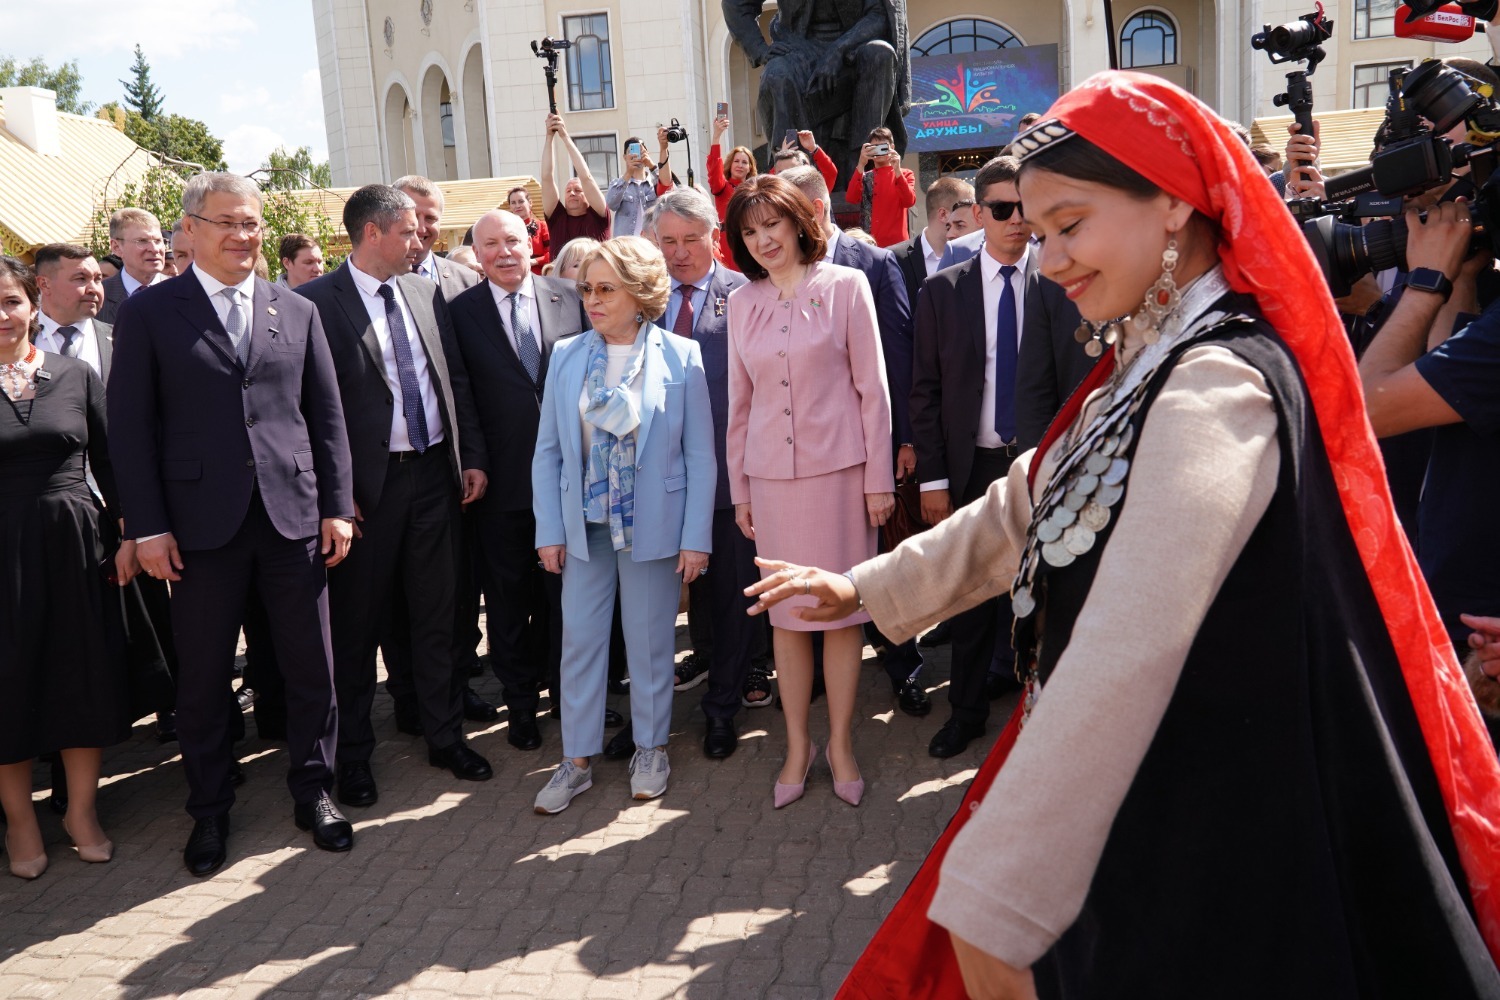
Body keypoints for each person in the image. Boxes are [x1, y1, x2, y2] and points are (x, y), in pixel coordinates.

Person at [747, 73, 1500, 998]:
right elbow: (1036, 495)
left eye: (1070, 225)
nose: (1048, 259)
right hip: (1153, 789)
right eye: (1037, 231)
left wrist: (1002, 881)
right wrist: (865, 588)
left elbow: (1134, 634)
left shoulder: (1216, 383)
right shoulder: (1155, 350)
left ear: (1173, 204)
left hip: (1200, 814)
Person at [108, 172, 356, 878]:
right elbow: (131, 429)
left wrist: (337, 506)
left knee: (312, 667)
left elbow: (326, 415)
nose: (242, 236)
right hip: (197, 530)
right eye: (227, 222)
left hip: (292, 517)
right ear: (190, 228)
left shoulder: (296, 308)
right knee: (204, 677)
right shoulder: (151, 313)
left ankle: (315, 790)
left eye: (251, 223)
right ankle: (210, 808)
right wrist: (147, 527)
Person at [296, 184, 494, 809]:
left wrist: (470, 457)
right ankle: (354, 758)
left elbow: (452, 379)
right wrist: (335, 495)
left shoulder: (424, 291)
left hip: (435, 477)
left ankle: (445, 737)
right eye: (408, 231)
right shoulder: (313, 304)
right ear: (372, 233)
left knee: (439, 616)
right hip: (364, 495)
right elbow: (305, 411)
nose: (420, 240)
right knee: (357, 632)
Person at [724, 175, 894, 809]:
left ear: (800, 222)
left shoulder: (847, 285)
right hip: (770, 481)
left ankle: (841, 744)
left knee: (842, 614)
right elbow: (740, 404)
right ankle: (797, 746)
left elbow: (873, 390)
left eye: (772, 224)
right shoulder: (742, 302)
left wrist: (879, 479)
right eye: (749, 231)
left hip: (843, 476)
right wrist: (741, 487)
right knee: (786, 617)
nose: (763, 239)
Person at [531, 236, 715, 812]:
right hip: (584, 526)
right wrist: (548, 530)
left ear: (640, 294)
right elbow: (548, 451)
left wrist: (696, 538)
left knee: (651, 644)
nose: (592, 299)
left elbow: (700, 455)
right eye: (587, 288)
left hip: (652, 526)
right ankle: (576, 761)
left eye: (606, 289)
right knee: (580, 645)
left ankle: (651, 750)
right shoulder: (566, 355)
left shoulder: (680, 355)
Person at [0, 257, 156, 878]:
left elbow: (115, 461)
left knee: (79, 677)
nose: (2, 315)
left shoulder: (74, 374)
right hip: (2, 556)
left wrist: (130, 533)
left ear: (32, 303)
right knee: (8, 686)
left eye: (10, 301)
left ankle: (81, 813)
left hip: (75, 546)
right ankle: (20, 822)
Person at [780, 164, 928, 715]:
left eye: (786, 217)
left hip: (870, 445)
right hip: (809, 456)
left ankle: (902, 665)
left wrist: (903, 440)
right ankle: (820, 669)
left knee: (879, 560)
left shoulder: (873, 262)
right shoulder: (776, 276)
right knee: (815, 560)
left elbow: (898, 355)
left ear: (816, 210)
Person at [449, 210, 586, 752]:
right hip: (500, 484)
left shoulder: (570, 297)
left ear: (531, 243)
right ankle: (522, 705)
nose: (504, 252)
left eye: (512, 240)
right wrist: (473, 460)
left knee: (567, 598)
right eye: (490, 244)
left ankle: (570, 700)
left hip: (569, 481)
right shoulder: (459, 313)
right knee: (507, 602)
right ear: (478, 253)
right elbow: (460, 393)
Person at [909, 155, 1032, 759]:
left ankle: (1043, 715)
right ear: (979, 215)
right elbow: (925, 392)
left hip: (1039, 466)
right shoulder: (943, 291)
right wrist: (932, 479)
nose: (1017, 220)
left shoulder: (1059, 283)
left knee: (1043, 593)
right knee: (972, 599)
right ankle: (966, 712)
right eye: (1003, 209)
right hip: (973, 468)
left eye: (1026, 207)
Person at [647, 189, 756, 756]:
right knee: (665, 600)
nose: (680, 252)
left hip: (727, 478)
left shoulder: (746, 294)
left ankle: (722, 709)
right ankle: (652, 720)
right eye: (668, 241)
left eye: (691, 239)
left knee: (731, 596)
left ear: (714, 236)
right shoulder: (642, 299)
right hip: (657, 481)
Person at [889, 177, 974, 308]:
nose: (975, 215)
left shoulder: (976, 254)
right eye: (966, 207)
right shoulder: (893, 259)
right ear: (943, 214)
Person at [541, 113, 611, 247]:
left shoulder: (599, 216)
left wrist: (564, 136)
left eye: (578, 190)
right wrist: (549, 137)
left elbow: (586, 177)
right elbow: (546, 178)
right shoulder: (556, 218)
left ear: (588, 195)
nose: (572, 193)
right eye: (568, 191)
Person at [845, 127, 916, 247]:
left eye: (882, 147)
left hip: (897, 246)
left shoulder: (905, 174)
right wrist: (861, 164)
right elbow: (851, 198)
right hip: (871, 245)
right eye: (874, 148)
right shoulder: (865, 176)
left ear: (892, 147)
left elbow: (909, 201)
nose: (878, 151)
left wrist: (897, 170)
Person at [98, 208, 165, 324]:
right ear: (116, 247)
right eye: (142, 241)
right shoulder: (99, 297)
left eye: (158, 241)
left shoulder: (185, 292)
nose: (154, 249)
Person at [707, 114, 756, 269]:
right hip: (728, 244)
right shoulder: (723, 186)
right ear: (730, 164)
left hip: (751, 240)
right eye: (736, 161)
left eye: (744, 162)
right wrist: (716, 136)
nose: (740, 165)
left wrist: (783, 153)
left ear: (750, 167)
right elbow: (714, 170)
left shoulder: (755, 188)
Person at [604, 137, 660, 239]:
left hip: (651, 243)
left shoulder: (655, 182)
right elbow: (610, 204)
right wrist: (628, 173)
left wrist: (652, 165)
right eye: (631, 152)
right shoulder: (617, 184)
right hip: (627, 245)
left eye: (641, 151)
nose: (636, 155)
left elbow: (669, 191)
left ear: (647, 153)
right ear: (625, 157)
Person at [508, 186, 551, 273]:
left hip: (540, 275)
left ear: (530, 203)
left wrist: (534, 261)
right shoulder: (507, 230)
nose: (517, 206)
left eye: (521, 201)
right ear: (510, 207)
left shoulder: (542, 226)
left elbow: (552, 253)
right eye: (513, 203)